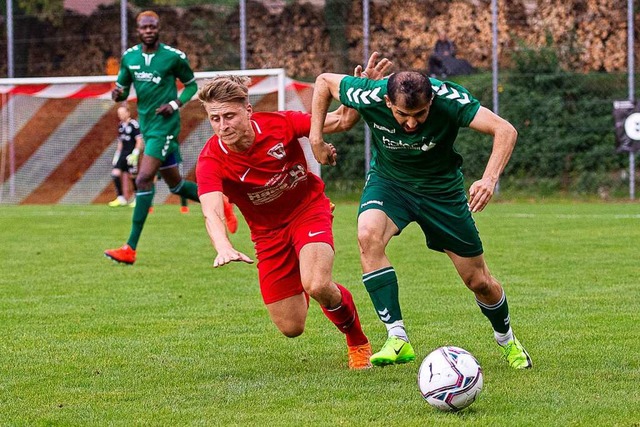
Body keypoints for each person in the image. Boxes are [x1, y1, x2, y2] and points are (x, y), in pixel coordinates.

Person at [309, 64, 532, 369]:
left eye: (420, 115)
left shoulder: (449, 98)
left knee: (478, 280)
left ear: (431, 102)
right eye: (403, 115)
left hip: (441, 192)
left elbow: (505, 129)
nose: (411, 124)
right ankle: (397, 337)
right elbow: (323, 81)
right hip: (390, 184)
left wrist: (489, 179)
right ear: (388, 103)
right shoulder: (370, 93)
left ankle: (507, 340)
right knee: (367, 236)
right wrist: (315, 139)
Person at [194, 54, 392, 370]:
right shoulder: (210, 161)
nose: (222, 125)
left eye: (229, 116)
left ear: (248, 110)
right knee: (291, 327)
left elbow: (341, 120)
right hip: (267, 234)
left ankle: (357, 341)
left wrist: (360, 90)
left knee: (316, 284)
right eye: (214, 119)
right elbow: (212, 212)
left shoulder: (279, 123)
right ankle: (306, 274)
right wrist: (224, 247)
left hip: (307, 211)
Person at [104, 10, 236, 265]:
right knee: (175, 185)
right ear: (138, 30)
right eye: (144, 27)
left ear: (158, 29)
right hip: (147, 127)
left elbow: (192, 86)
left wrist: (175, 104)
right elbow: (120, 93)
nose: (148, 31)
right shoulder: (130, 58)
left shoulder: (173, 57)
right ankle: (222, 201)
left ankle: (130, 248)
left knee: (143, 179)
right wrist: (117, 93)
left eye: (152, 27)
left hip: (165, 127)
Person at [108, 104, 143, 207]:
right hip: (123, 155)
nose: (120, 115)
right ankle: (121, 198)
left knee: (133, 176)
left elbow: (139, 140)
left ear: (128, 113)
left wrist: (135, 153)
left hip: (131, 155)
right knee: (115, 174)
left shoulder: (134, 124)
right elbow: (120, 142)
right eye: (119, 114)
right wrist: (117, 155)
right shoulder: (121, 125)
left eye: (122, 113)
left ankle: (138, 198)